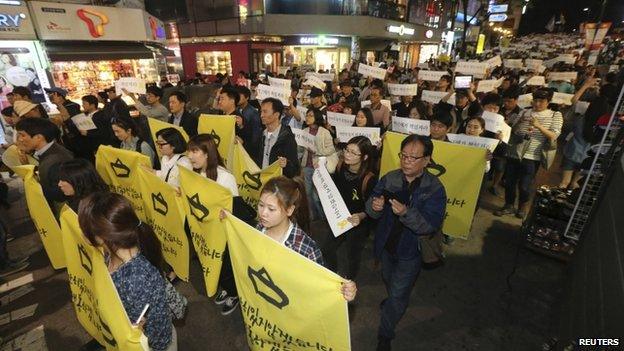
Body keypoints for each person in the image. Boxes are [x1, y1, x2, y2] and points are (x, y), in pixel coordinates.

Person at [366, 134, 446, 350]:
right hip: (385, 247)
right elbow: (370, 208)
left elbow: (430, 225)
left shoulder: (434, 188)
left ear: (427, 160)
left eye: (413, 157)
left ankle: (385, 334)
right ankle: (394, 301)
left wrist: (406, 213)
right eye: (404, 156)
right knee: (390, 281)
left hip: (410, 252)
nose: (407, 161)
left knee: (399, 292)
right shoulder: (390, 178)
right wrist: (374, 207)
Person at [220, 176, 357, 301]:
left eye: (271, 209)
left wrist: (344, 291)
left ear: (289, 210)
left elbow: (320, 285)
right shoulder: (257, 229)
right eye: (261, 205)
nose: (263, 213)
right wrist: (230, 221)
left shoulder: (305, 248)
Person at [78, 192, 183, 351]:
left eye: (83, 228)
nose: (80, 231)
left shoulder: (137, 278)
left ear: (102, 235)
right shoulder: (112, 251)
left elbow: (159, 332)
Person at [187, 134, 240, 315]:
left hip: (223, 235)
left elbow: (236, 210)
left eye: (195, 151)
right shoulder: (193, 175)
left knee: (225, 266)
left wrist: (227, 214)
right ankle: (225, 287)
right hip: (204, 231)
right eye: (189, 151)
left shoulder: (225, 178)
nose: (190, 156)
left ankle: (233, 294)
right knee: (211, 263)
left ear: (207, 153)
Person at [494, 88, 563, 219]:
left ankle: (522, 207)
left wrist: (539, 126)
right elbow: (512, 130)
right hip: (515, 151)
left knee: (525, 185)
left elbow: (554, 135)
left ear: (548, 101)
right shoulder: (524, 111)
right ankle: (508, 205)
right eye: (535, 101)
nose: (537, 104)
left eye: (541, 101)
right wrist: (518, 122)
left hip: (533, 156)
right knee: (509, 182)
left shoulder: (555, 115)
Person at [324, 136, 377, 279]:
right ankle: (332, 276)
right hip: (339, 216)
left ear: (364, 157)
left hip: (358, 224)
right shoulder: (341, 166)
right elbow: (333, 187)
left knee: (352, 256)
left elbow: (372, 207)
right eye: (347, 150)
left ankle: (350, 281)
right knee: (327, 248)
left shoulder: (369, 179)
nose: (347, 154)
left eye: (353, 153)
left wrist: (361, 216)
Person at [15, 118, 73, 208]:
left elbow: (60, 196)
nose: (20, 140)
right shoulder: (52, 149)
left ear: (39, 137)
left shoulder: (55, 161)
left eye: (22, 135)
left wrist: (29, 174)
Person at [300, 108, 338, 221]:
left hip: (320, 168)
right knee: (307, 194)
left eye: (310, 115)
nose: (307, 117)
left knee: (317, 196)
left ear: (316, 117)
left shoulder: (324, 132)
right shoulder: (305, 131)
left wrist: (316, 151)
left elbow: (331, 149)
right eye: (307, 115)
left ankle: (324, 219)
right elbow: (301, 150)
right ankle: (312, 218)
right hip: (307, 166)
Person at [253, 98, 300, 178]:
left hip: (277, 184)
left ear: (276, 114)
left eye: (265, 112)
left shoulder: (287, 137)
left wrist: (286, 164)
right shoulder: (260, 135)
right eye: (261, 112)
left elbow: (295, 169)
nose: (261, 115)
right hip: (260, 183)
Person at [80, 94, 116, 158]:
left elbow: (104, 132)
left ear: (92, 105)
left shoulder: (100, 116)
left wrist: (87, 133)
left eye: (84, 104)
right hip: (93, 146)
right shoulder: (87, 115)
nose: (82, 106)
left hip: (102, 146)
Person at [236, 85, 262, 154]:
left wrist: (247, 147)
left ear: (247, 97)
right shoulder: (237, 109)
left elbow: (255, 135)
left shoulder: (253, 113)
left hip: (247, 149)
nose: (237, 98)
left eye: (239, 96)